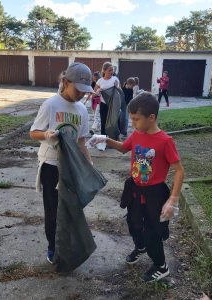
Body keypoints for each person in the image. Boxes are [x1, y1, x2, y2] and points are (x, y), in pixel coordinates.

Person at [88, 92, 184, 282]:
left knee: (152, 231)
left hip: (154, 193)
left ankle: (160, 265)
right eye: (131, 119)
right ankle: (140, 247)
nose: (132, 123)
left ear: (151, 117)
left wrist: (172, 200)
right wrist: (106, 139)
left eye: (136, 119)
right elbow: (124, 148)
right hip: (135, 189)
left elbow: (179, 170)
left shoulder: (165, 141)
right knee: (133, 224)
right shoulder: (138, 134)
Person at [30, 62, 94, 264]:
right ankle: (53, 247)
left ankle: (68, 244)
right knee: (53, 209)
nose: (82, 95)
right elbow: (33, 133)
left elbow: (81, 141)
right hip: (51, 165)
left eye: (85, 91)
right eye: (78, 89)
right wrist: (47, 135)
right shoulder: (51, 105)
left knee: (71, 208)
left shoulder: (82, 110)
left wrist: (89, 165)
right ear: (66, 82)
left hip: (71, 166)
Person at [94, 62, 122, 136]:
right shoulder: (100, 81)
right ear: (104, 71)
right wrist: (97, 92)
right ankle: (103, 139)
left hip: (114, 104)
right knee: (104, 121)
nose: (111, 72)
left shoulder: (115, 79)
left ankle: (115, 138)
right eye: (109, 70)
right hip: (104, 104)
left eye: (112, 70)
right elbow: (93, 94)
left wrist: (117, 87)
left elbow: (121, 92)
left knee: (115, 120)